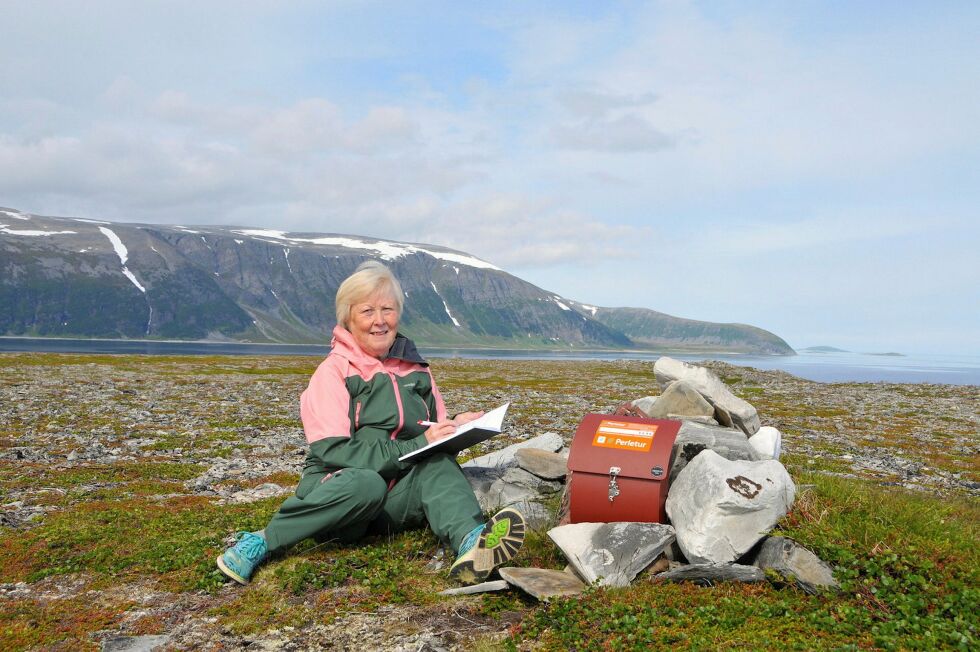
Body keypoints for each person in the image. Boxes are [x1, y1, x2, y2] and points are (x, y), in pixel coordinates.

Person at [216, 260, 524, 586]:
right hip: (343, 496)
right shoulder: (333, 372)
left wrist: (455, 426)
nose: (380, 321)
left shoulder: (416, 369)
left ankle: (472, 543)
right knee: (366, 484)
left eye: (388, 310)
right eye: (367, 311)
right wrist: (418, 444)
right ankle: (263, 541)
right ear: (348, 318)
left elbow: (432, 428)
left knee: (437, 461)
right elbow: (333, 450)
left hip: (393, 502)